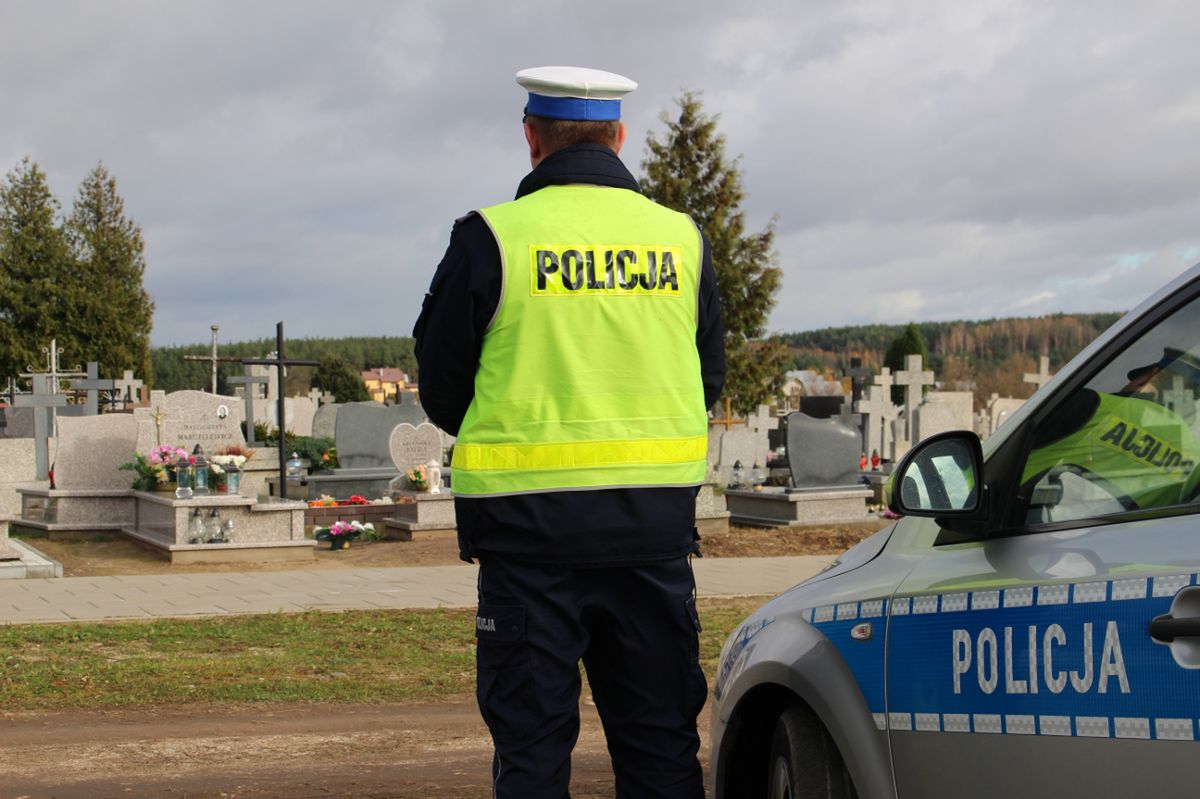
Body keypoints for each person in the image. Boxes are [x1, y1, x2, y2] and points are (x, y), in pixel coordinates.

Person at [414, 66, 725, 799]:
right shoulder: (681, 241)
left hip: (527, 544)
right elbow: (705, 380)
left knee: (531, 755)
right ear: (619, 135)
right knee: (660, 753)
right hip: (650, 540)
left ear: (532, 139)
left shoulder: (491, 238)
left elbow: (443, 387)